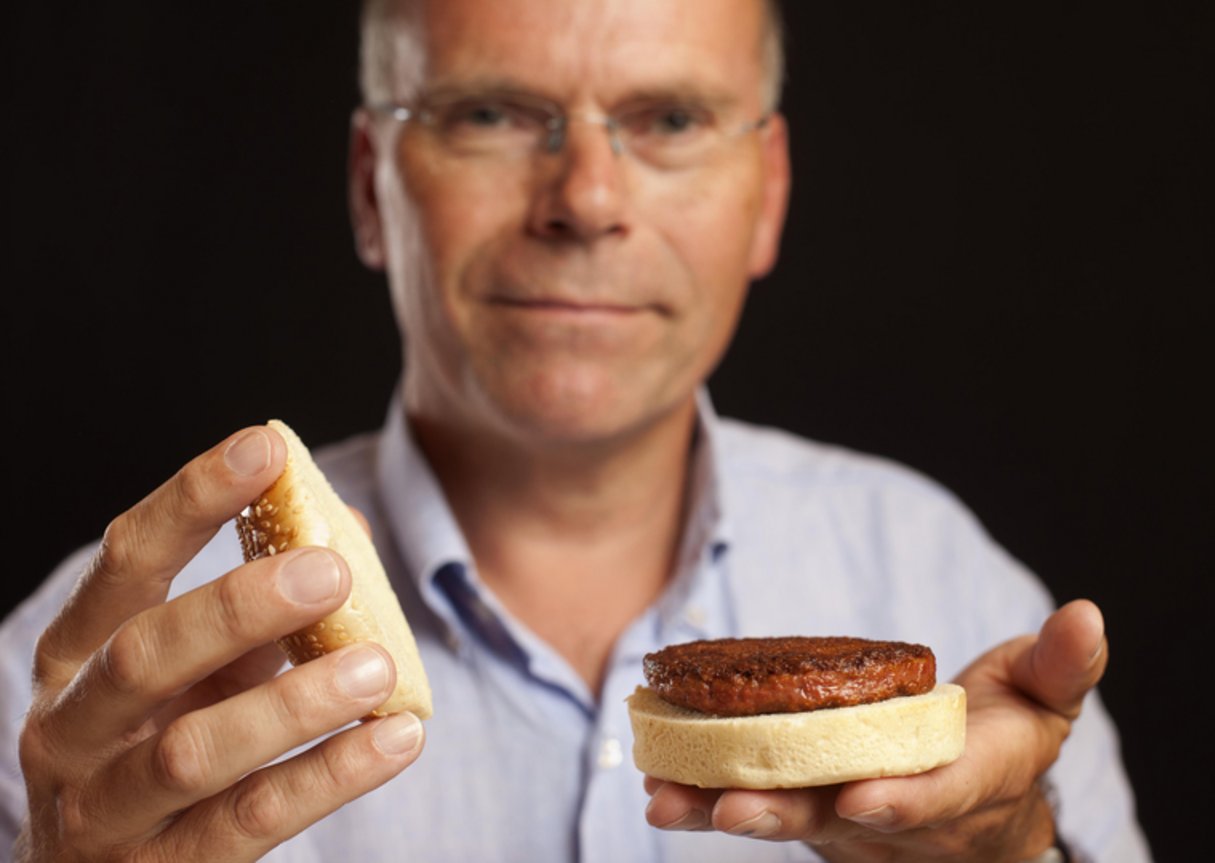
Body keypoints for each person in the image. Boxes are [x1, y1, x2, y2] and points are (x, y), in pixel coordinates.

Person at [0, 0, 1150, 860]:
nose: (587, 199)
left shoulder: (947, 583)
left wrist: (1014, 851)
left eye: (669, 118)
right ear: (369, 186)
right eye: (493, 113)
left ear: (769, 190)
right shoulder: (88, 701)